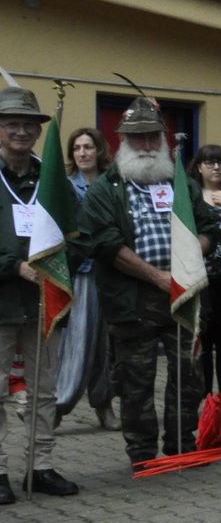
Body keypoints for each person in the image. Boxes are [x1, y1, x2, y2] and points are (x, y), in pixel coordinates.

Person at [81, 97, 220, 466]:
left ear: (163, 137)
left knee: (188, 375)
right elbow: (106, 243)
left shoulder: (183, 184)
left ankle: (181, 446)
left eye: (151, 137)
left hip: (183, 295)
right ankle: (142, 454)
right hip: (133, 298)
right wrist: (158, 276)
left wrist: (191, 258)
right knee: (135, 381)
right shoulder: (106, 189)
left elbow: (207, 229)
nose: (145, 145)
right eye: (137, 138)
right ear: (123, 141)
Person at [0, 87, 80, 503]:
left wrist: (57, 268)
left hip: (45, 301)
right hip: (2, 301)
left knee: (44, 389)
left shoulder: (50, 177)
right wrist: (14, 265)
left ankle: (40, 466)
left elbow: (76, 231)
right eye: (12, 122)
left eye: (28, 124)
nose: (20, 130)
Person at [56, 126, 116, 430]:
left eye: (88, 147)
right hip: (81, 274)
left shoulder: (112, 186)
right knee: (78, 342)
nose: (82, 153)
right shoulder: (66, 188)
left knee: (106, 346)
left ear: (99, 150)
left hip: (112, 273)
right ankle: (58, 405)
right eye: (77, 148)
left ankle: (103, 404)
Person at [188, 144, 221, 394]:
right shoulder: (190, 195)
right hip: (201, 278)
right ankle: (206, 399)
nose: (216, 167)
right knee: (203, 341)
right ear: (199, 167)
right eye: (210, 162)